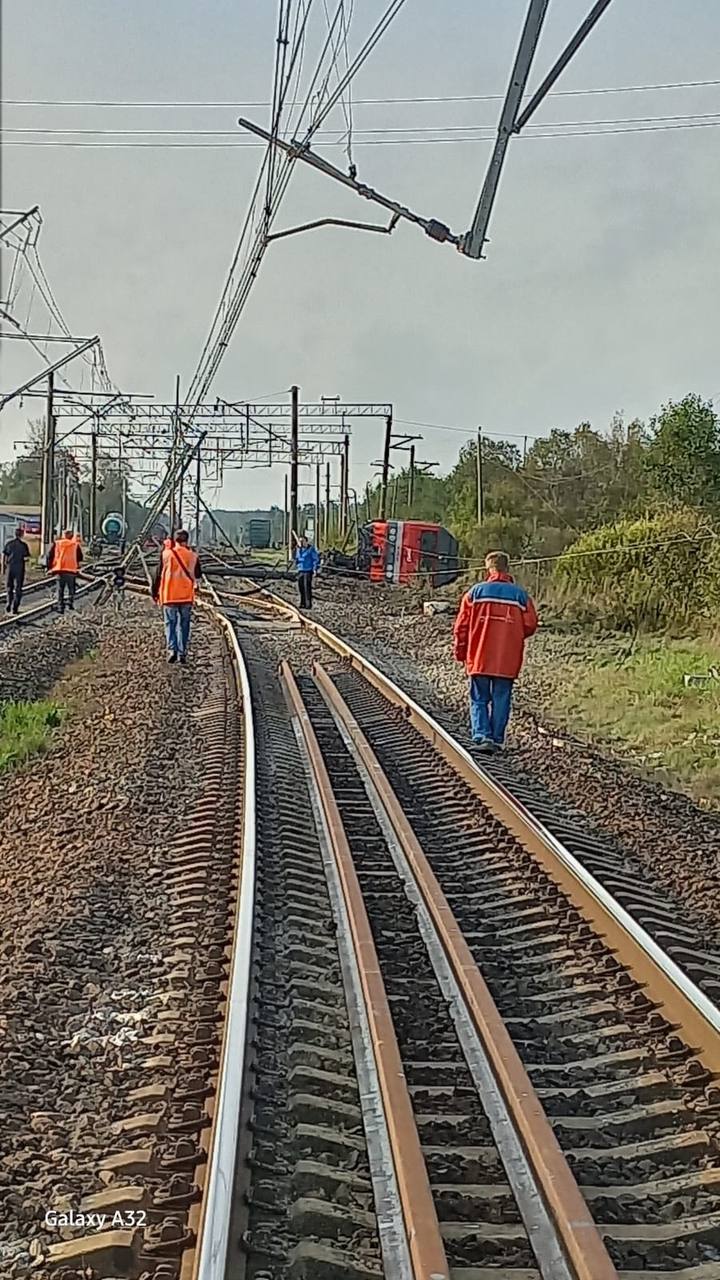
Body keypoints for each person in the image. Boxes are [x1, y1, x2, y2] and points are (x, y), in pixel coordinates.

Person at [453, 550, 538, 753]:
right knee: (502, 697)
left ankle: (482, 735)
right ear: (507, 568)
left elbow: (461, 627)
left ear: (488, 568)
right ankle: (497, 739)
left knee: (479, 697)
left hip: (479, 655)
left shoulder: (475, 593)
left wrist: (460, 652)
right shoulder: (520, 596)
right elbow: (530, 625)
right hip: (507, 658)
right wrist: (512, 634)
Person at [151, 530, 202, 665]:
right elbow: (198, 574)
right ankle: (182, 652)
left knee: (170, 624)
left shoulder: (166, 554)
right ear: (187, 540)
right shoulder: (192, 556)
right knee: (184, 625)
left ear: (175, 540)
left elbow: (157, 575)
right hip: (186, 597)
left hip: (169, 595)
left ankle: (172, 650)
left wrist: (154, 592)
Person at [48, 529, 83, 613]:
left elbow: (50, 555)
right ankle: (70, 603)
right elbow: (80, 557)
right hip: (71, 570)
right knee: (71, 588)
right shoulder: (75, 545)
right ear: (71, 536)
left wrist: (49, 568)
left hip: (60, 569)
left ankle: (60, 607)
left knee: (60, 589)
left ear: (63, 535)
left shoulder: (57, 543)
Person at [3, 526, 30, 615]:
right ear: (22, 535)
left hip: (10, 567)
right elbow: (26, 557)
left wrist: (3, 568)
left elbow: (4, 556)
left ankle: (8, 603)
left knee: (9, 587)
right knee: (18, 588)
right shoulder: (24, 545)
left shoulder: (9, 544)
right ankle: (15, 607)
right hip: (19, 568)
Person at [294, 534, 320, 610]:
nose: (301, 543)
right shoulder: (298, 549)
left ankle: (308, 604)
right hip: (300, 570)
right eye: (300, 541)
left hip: (308, 570)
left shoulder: (310, 549)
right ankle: (302, 603)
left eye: (303, 541)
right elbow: (296, 558)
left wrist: (315, 569)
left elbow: (315, 559)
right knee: (301, 587)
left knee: (307, 587)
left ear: (306, 541)